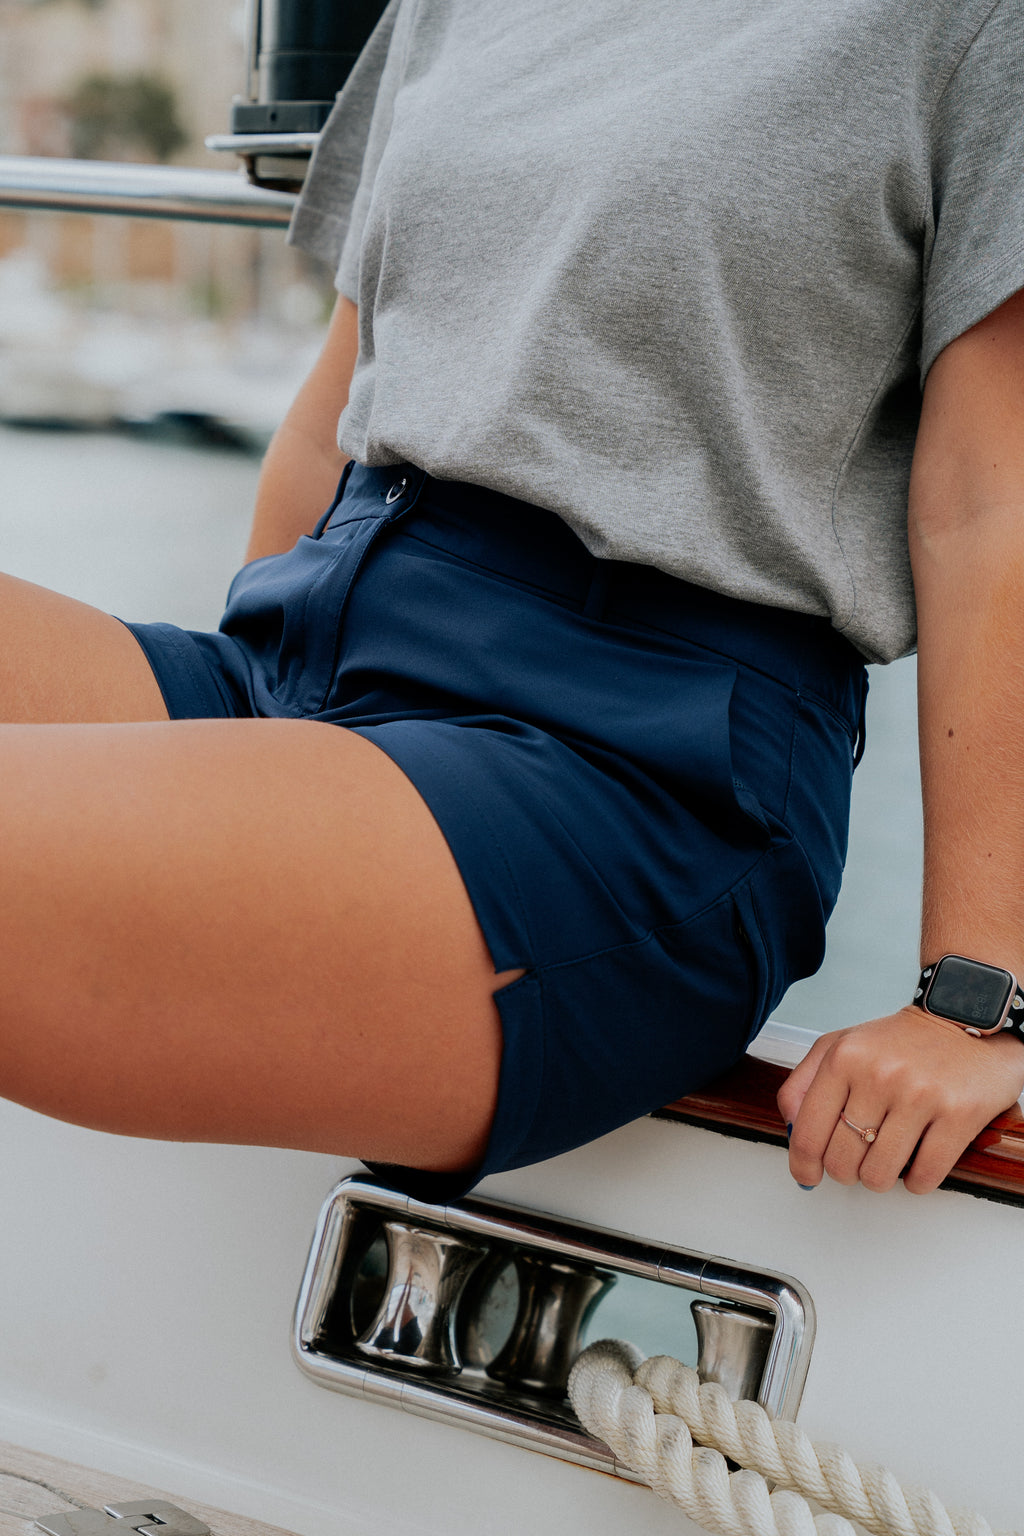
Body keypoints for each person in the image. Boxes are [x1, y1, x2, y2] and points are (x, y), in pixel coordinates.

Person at [2, 0, 1023, 1201]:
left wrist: (974, 994)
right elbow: (341, 402)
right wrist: (242, 800)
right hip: (318, 642)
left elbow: (987, 506)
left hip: (622, 756)